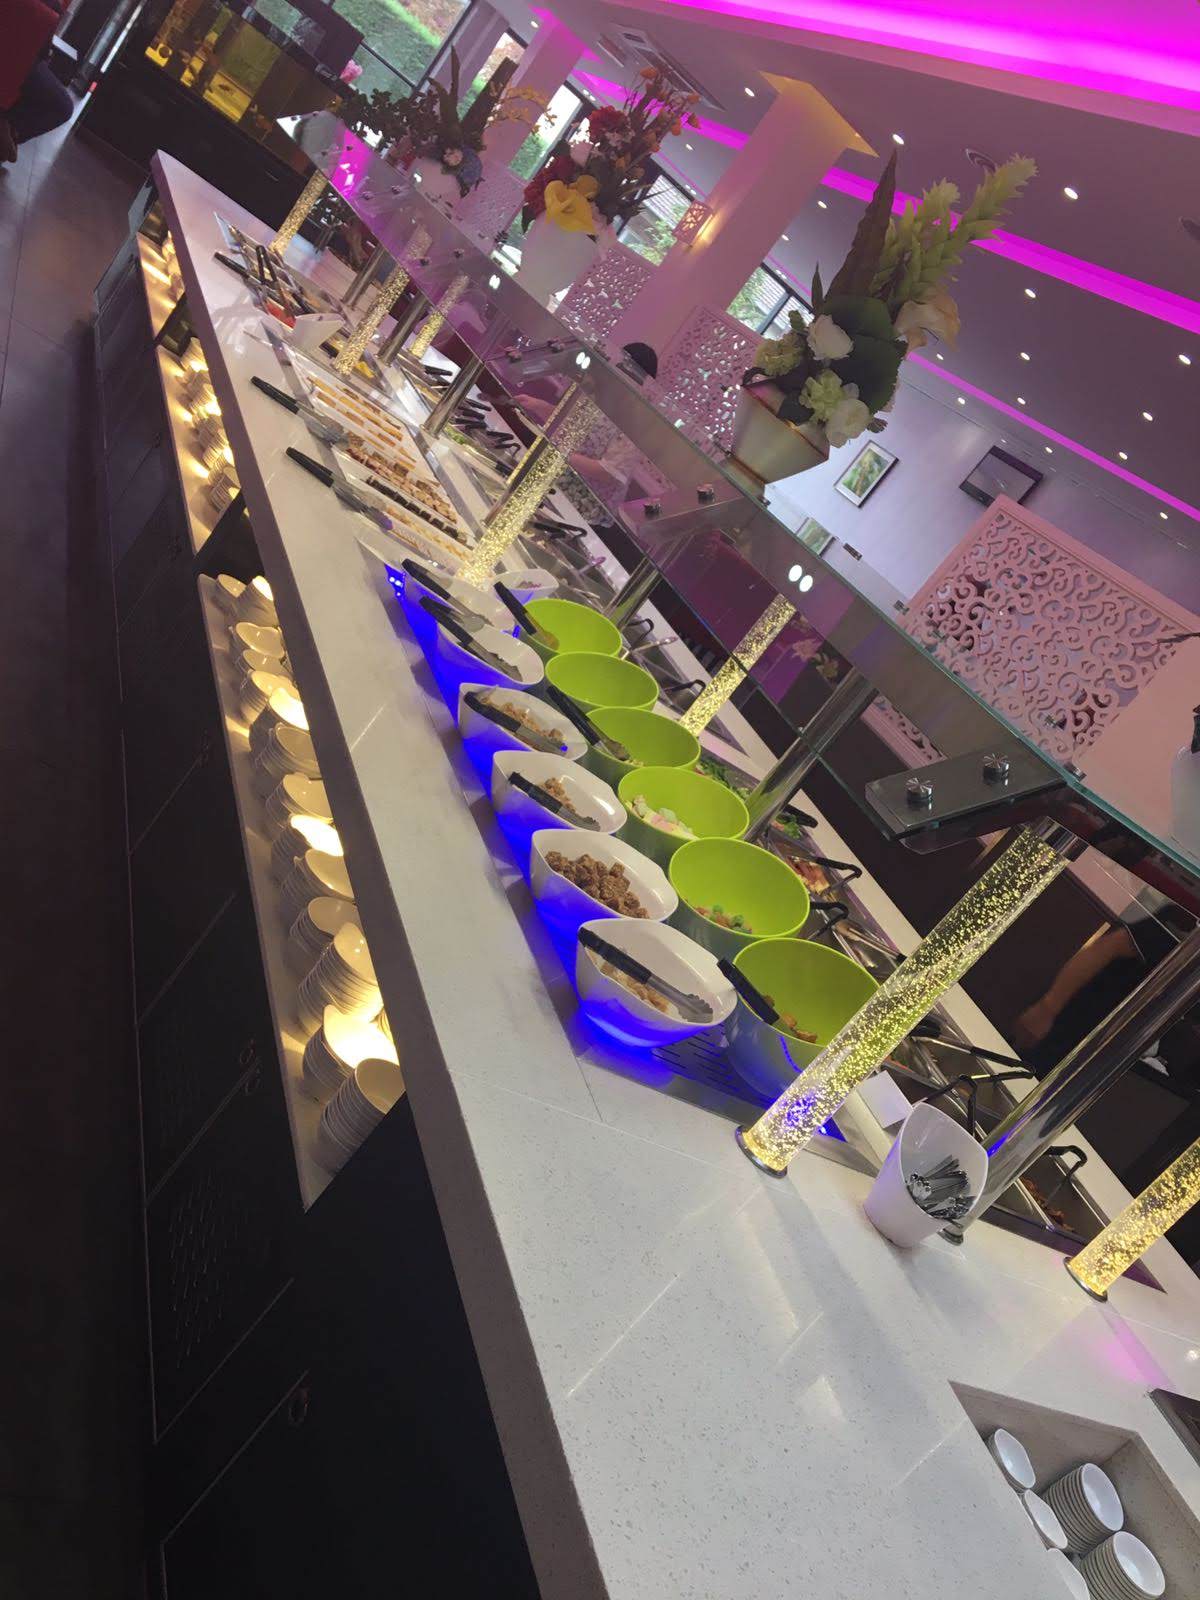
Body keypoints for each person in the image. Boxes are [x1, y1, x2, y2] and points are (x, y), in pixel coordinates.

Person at [0, 0, 74, 164]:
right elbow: (41, 52)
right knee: (63, 107)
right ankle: (9, 129)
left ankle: (7, 129)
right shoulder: (52, 7)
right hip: (18, 57)